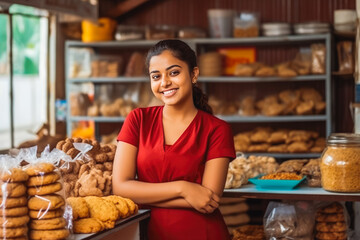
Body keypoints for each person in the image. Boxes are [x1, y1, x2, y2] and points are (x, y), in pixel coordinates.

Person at [112, 39, 236, 240]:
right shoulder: (137, 120)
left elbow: (208, 200)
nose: (164, 82)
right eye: (156, 76)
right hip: (145, 232)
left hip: (201, 233)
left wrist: (143, 195)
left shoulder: (218, 129)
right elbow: (121, 188)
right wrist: (184, 188)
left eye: (174, 72)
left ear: (193, 74)